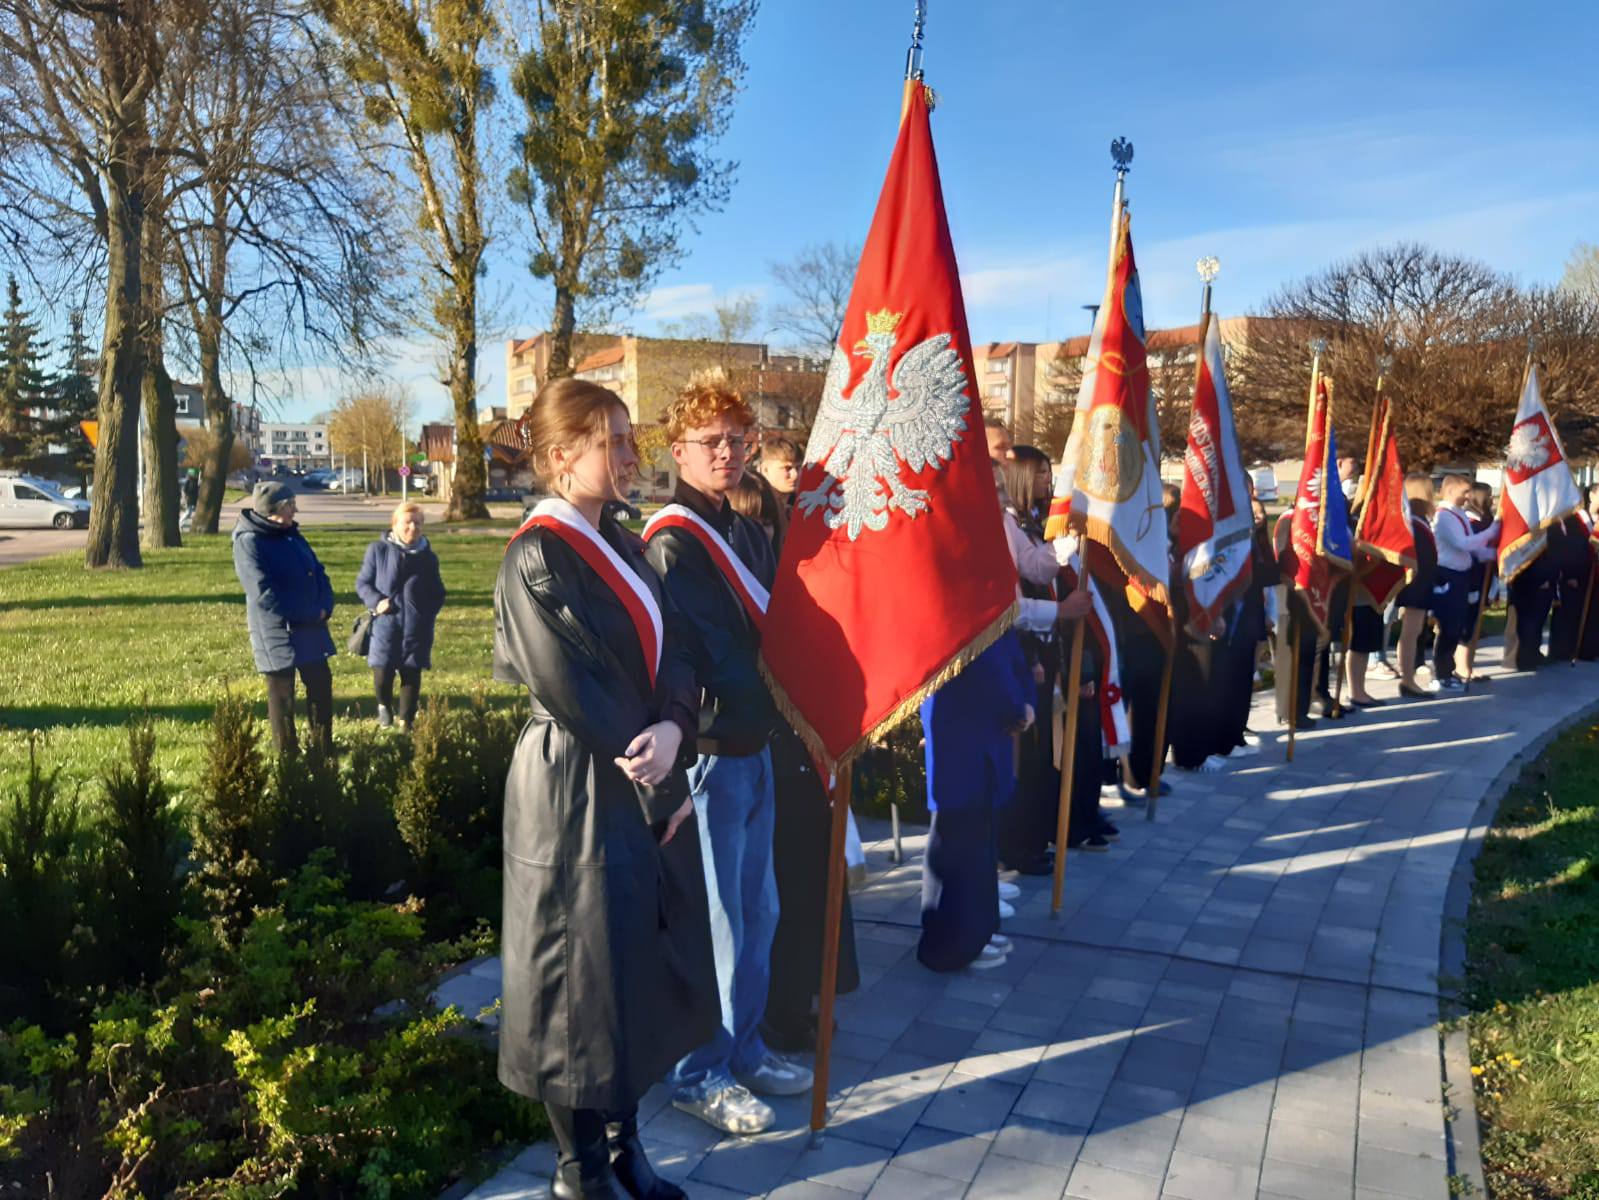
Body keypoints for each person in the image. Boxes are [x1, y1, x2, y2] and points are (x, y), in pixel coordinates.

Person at [493, 377, 715, 1200]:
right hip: (574, 789)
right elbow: (574, 687)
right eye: (611, 441)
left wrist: (677, 729)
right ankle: (578, 1170)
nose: (629, 454)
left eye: (629, 438)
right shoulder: (537, 555)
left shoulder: (621, 542)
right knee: (574, 982)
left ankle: (625, 1151)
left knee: (626, 968)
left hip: (638, 771)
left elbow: (677, 650)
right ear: (561, 456)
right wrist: (662, 780)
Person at [644, 372, 811, 1136]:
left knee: (758, 914)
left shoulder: (742, 530)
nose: (727, 451)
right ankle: (697, 1073)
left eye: (738, 439)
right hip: (710, 754)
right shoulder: (674, 540)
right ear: (678, 450)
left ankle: (742, 1048)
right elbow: (708, 651)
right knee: (717, 926)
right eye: (711, 440)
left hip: (755, 744)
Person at [918, 627, 1033, 972]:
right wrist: (1018, 706)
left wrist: (1026, 702)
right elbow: (989, 663)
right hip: (962, 732)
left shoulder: (990, 607)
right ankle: (951, 943)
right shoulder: (966, 607)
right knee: (958, 843)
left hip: (986, 731)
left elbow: (1012, 655)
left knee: (980, 844)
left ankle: (976, 931)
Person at [232, 481, 335, 753]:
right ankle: (287, 756)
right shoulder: (249, 542)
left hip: (311, 628)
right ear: (272, 509)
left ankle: (322, 749)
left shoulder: (292, 535)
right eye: (290, 506)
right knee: (282, 695)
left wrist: (325, 605)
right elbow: (262, 593)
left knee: (321, 685)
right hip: (277, 631)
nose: (294, 511)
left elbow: (319, 572)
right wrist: (307, 613)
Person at [356, 502, 447, 730]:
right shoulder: (378, 550)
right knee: (383, 673)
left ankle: (406, 721)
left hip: (417, 627)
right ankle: (383, 705)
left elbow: (438, 592)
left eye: (418, 523)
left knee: (411, 674)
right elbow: (363, 583)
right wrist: (377, 602)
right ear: (395, 524)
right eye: (408, 522)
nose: (413, 528)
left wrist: (426, 614)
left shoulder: (428, 557)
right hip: (385, 624)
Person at [1430, 475, 1499, 690]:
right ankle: (1440, 674)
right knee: (1449, 626)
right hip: (1447, 574)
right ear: (1450, 491)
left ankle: (1449, 671)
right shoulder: (1444, 516)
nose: (1468, 496)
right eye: (1465, 492)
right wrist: (1491, 532)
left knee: (1458, 625)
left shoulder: (1458, 514)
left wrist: (1493, 554)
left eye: (1470, 492)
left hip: (1462, 575)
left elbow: (1473, 549)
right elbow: (1462, 543)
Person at [755, 433, 801, 502]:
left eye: (798, 468)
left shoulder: (802, 503)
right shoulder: (751, 503)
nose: (795, 474)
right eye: (787, 468)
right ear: (765, 470)